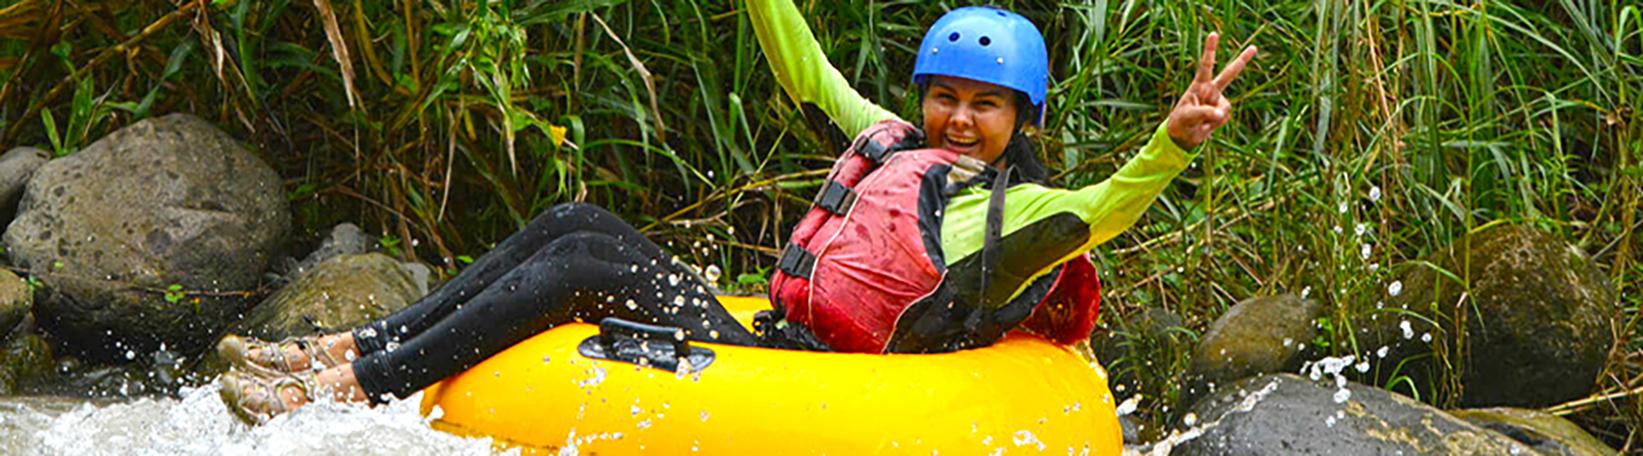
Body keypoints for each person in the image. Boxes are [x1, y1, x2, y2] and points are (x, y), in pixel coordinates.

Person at [216, 0, 1255, 424]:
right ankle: (356, 346)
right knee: (579, 221)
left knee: (592, 267)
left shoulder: (1019, 208)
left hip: (829, 384)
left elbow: (1105, 211)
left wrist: (1172, 141)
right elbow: (803, 71)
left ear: (1017, 116)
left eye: (983, 106)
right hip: (773, 337)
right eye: (945, 95)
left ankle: (352, 387)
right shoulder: (895, 138)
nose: (956, 118)